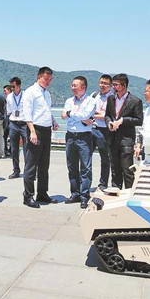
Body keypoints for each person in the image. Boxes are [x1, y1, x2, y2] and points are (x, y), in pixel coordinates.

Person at [21, 66, 59, 208]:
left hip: (46, 129)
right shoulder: (31, 92)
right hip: (35, 129)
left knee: (44, 164)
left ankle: (42, 193)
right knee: (31, 164)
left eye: (50, 79)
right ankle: (28, 195)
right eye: (46, 79)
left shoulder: (47, 94)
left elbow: (46, 110)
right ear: (39, 77)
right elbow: (27, 113)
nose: (48, 82)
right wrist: (32, 131)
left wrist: (53, 121)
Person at [61, 76, 96, 209]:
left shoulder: (91, 101)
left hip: (84, 137)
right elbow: (64, 116)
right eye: (72, 85)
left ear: (83, 87)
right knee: (72, 166)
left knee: (86, 167)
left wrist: (71, 114)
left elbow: (85, 115)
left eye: (75, 86)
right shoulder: (69, 100)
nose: (73, 88)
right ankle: (74, 193)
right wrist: (79, 117)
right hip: (70, 136)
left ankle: (84, 195)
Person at [105, 73, 143, 189]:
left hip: (126, 139)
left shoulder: (135, 101)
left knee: (127, 170)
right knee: (115, 169)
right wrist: (109, 122)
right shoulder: (111, 99)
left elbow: (139, 120)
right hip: (112, 138)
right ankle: (115, 191)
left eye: (116, 85)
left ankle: (129, 193)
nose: (113, 87)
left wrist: (123, 120)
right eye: (113, 84)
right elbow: (107, 115)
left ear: (124, 85)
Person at [90, 75, 113, 189]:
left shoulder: (112, 98)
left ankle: (103, 184)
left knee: (105, 159)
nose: (102, 85)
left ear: (111, 86)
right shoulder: (94, 95)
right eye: (101, 83)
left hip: (105, 130)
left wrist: (97, 113)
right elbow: (88, 111)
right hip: (92, 129)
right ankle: (85, 183)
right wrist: (99, 113)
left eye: (105, 83)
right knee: (86, 157)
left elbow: (107, 116)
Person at [6, 77, 26, 179]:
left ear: (19, 86)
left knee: (27, 149)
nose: (12, 89)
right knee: (14, 149)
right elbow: (9, 111)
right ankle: (16, 170)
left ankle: (29, 171)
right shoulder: (9, 97)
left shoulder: (26, 95)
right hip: (13, 123)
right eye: (11, 87)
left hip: (24, 123)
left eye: (14, 86)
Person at [3, 84, 12, 156]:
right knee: (6, 134)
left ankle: (8, 149)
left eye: (5, 90)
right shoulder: (7, 98)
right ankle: (7, 148)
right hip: (7, 117)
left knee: (7, 134)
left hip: (9, 117)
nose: (4, 92)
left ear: (9, 90)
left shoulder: (10, 98)